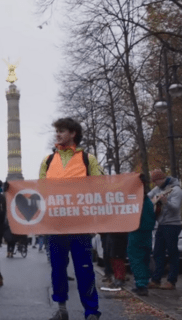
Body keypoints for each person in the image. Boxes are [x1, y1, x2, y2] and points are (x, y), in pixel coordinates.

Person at [40, 117, 103, 320]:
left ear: (73, 133)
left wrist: (135, 183)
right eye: (57, 131)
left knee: (84, 270)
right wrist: (14, 191)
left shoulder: (88, 159)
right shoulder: (48, 161)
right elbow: (40, 190)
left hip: (80, 224)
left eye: (62, 131)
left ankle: (91, 311)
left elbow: (100, 185)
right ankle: (62, 308)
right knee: (58, 270)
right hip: (55, 224)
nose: (58, 134)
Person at [147, 168, 182, 290]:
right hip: (161, 224)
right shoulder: (158, 189)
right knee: (158, 252)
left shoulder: (176, 190)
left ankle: (171, 281)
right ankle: (156, 279)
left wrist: (165, 202)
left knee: (172, 252)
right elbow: (149, 198)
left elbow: (175, 208)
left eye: (155, 181)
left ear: (161, 179)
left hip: (172, 224)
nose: (154, 184)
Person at [127, 180, 156, 296]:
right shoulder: (148, 202)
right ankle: (144, 282)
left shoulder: (137, 201)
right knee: (144, 259)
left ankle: (141, 285)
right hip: (147, 234)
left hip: (136, 233)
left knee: (136, 259)